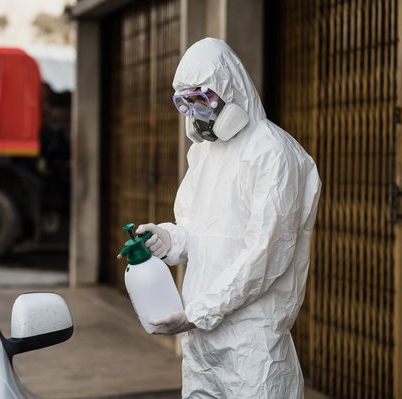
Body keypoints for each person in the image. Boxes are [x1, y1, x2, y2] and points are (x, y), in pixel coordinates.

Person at [136, 38, 321, 398]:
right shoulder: (203, 155)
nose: (195, 113)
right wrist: (168, 239)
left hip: (253, 348)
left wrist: (197, 313)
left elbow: (266, 255)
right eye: (185, 103)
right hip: (201, 344)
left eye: (201, 99)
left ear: (229, 89)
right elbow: (198, 232)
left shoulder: (271, 151)